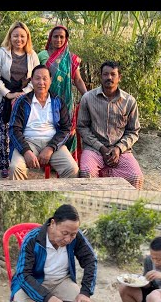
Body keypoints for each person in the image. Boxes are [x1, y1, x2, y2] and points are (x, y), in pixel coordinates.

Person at [77, 61, 144, 189]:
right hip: (94, 149)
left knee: (136, 177)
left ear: (120, 77)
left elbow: (133, 131)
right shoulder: (88, 98)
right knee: (86, 171)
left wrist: (118, 149)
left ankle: (126, 207)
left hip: (121, 151)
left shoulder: (129, 101)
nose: (109, 78)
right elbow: (82, 127)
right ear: (100, 76)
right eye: (106, 74)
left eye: (113, 74)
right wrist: (101, 148)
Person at [8, 65, 78, 180]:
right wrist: (26, 151)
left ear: (50, 80)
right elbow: (14, 129)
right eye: (37, 78)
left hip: (52, 142)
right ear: (31, 80)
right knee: (16, 168)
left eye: (45, 78)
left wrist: (50, 147)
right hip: (28, 142)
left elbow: (66, 129)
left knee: (72, 169)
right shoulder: (22, 101)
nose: (41, 82)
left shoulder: (58, 101)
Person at [0, 22, 40, 178]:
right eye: (16, 35)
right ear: (10, 36)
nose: (19, 39)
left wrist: (23, 93)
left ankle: (17, 162)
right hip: (5, 99)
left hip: (25, 99)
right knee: (4, 133)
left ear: (27, 38)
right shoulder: (2, 53)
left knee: (20, 131)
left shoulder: (32, 55)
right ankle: (4, 164)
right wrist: (8, 94)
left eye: (22, 36)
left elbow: (37, 78)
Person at [38, 25, 88, 119]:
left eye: (62, 37)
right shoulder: (41, 55)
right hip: (45, 98)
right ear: (50, 37)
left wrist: (87, 96)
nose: (58, 39)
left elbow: (77, 79)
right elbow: (35, 78)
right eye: (55, 36)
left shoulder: (71, 58)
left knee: (65, 127)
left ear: (66, 39)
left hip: (66, 99)